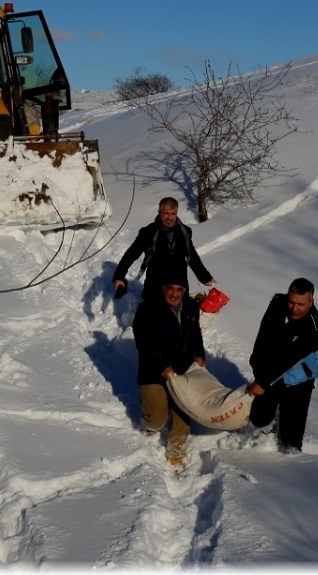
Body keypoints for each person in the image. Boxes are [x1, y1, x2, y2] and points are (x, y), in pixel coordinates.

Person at [132, 273, 206, 466]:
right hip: (154, 371)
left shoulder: (190, 307)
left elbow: (195, 332)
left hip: (181, 371)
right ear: (163, 288)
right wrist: (162, 364)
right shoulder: (147, 309)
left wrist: (199, 354)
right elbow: (144, 342)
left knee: (183, 410)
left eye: (179, 289)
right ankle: (150, 425)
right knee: (156, 418)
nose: (174, 294)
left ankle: (176, 452)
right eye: (170, 288)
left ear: (184, 291)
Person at [247, 278, 318, 454]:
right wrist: (257, 365)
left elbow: (290, 358)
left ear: (311, 302)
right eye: (291, 302)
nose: (294, 308)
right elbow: (263, 335)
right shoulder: (277, 304)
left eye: (301, 304)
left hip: (298, 382)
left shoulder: (315, 328)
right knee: (258, 418)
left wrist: (264, 382)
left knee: (290, 443)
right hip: (271, 374)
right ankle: (268, 430)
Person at [113, 197, 216, 303]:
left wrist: (205, 277)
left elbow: (192, 256)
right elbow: (131, 254)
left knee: (179, 317)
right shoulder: (148, 232)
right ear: (159, 212)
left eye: (172, 213)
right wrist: (119, 276)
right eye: (166, 213)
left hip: (178, 284)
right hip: (155, 284)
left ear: (176, 213)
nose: (169, 218)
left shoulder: (184, 233)